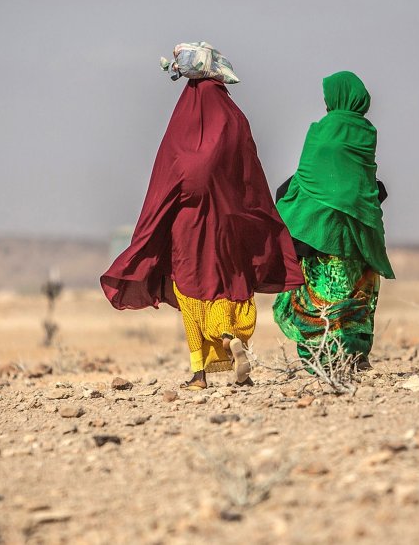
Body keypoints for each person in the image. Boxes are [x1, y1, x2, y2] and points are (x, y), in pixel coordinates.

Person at [101, 42, 303, 390]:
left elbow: (167, 178)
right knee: (228, 284)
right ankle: (231, 338)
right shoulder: (235, 119)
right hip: (231, 224)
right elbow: (250, 176)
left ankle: (200, 374)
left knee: (191, 289)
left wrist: (153, 223)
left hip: (189, 225)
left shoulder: (183, 123)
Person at [272, 71, 395, 372]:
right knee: (354, 297)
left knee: (321, 298)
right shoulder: (366, 133)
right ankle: (356, 356)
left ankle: (322, 361)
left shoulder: (321, 131)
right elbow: (358, 183)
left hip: (321, 232)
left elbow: (307, 180)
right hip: (356, 233)